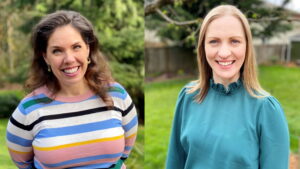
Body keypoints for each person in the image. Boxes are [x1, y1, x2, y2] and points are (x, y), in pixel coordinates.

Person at [6, 10, 138, 169]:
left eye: (76, 47)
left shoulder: (117, 95)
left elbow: (124, 152)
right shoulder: (28, 110)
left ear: (88, 49)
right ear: (45, 57)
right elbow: (22, 163)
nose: (69, 59)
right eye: (57, 51)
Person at [166, 5, 289, 169]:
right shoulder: (188, 96)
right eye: (214, 41)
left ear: (247, 46)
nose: (224, 53)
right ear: (203, 47)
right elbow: (174, 162)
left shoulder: (266, 109)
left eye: (234, 41)